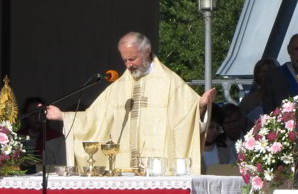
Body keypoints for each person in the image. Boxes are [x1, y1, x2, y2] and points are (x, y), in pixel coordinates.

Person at [44, 32, 214, 174]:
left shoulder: (169, 82)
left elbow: (185, 116)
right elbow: (95, 118)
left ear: (146, 52)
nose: (128, 65)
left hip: (156, 171)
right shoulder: (118, 87)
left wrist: (200, 105)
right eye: (125, 60)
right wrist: (62, 116)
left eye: (132, 59)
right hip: (124, 169)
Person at [239, 58, 276, 123]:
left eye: (265, 72)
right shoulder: (247, 100)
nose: (261, 75)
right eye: (258, 72)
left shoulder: (281, 97)